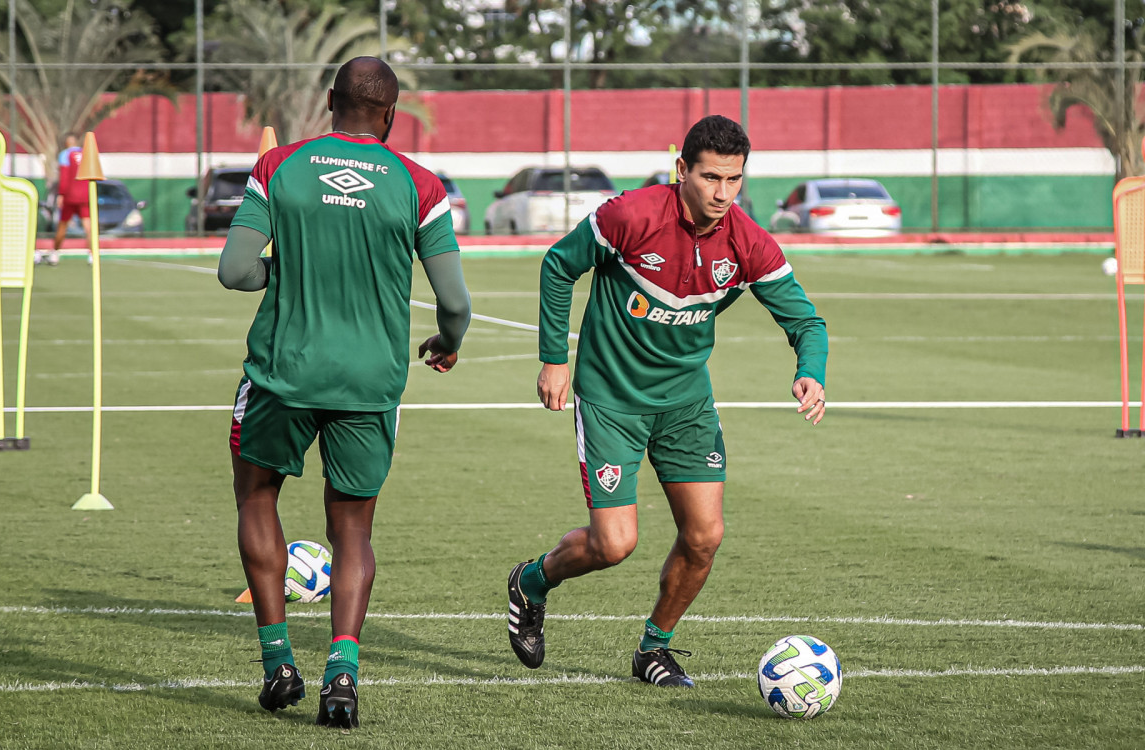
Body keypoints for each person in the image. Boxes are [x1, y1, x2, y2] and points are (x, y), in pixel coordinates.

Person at [506, 115, 828, 688]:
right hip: (611, 399)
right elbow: (559, 264)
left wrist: (811, 373)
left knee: (705, 536)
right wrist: (555, 359)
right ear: (683, 169)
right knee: (614, 544)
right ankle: (533, 581)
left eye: (734, 180)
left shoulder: (747, 242)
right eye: (710, 178)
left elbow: (805, 320)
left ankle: (653, 649)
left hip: (685, 405)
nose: (723, 193)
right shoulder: (629, 215)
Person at [218, 56, 472, 728]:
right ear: (391, 113)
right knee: (352, 526)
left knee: (257, 494)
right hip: (370, 380)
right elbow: (454, 302)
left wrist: (286, 269)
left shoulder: (281, 166)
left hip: (281, 371)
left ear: (330, 101)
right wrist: (447, 343)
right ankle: (342, 676)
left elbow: (235, 270)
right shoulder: (419, 184)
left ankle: (277, 663)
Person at [39, 133, 92, 266]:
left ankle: (55, 253)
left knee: (62, 226)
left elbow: (65, 176)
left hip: (70, 196)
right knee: (88, 227)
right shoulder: (86, 154)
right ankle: (92, 255)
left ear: (67, 143)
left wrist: (61, 194)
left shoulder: (65, 155)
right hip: (85, 196)